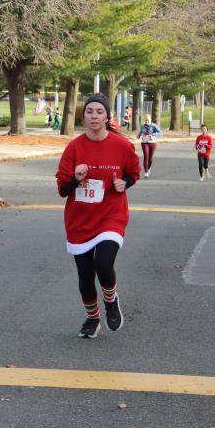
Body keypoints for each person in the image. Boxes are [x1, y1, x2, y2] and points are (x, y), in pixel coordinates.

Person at [55, 93, 141, 339]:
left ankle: (111, 300)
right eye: (90, 112)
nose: (94, 116)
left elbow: (133, 173)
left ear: (107, 117)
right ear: (83, 117)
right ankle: (92, 318)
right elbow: (62, 189)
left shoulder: (121, 146)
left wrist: (124, 183)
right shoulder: (74, 147)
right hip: (80, 220)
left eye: (99, 112)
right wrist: (76, 178)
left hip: (111, 216)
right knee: (85, 276)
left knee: (103, 263)